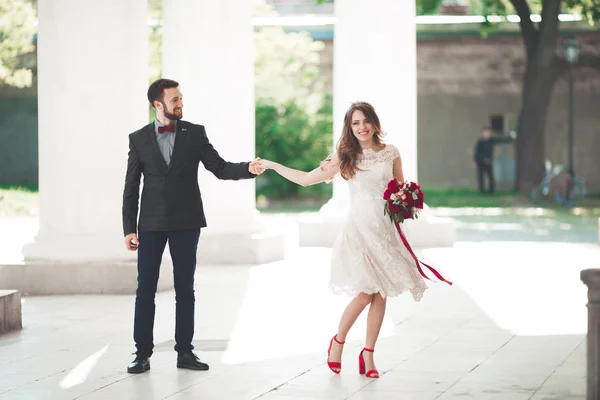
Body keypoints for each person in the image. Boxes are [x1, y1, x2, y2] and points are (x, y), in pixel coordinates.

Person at [258, 102, 430, 379]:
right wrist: (272, 165)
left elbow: (401, 189)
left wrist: (405, 202)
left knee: (381, 292)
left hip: (386, 231)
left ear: (374, 122)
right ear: (349, 127)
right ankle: (338, 342)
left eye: (365, 121)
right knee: (365, 293)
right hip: (359, 231)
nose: (361, 127)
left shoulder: (391, 153)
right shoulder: (345, 155)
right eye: (355, 123)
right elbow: (306, 179)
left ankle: (369, 354)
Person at [122, 78, 263, 374]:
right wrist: (129, 228)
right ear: (158, 104)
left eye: (181, 98)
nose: (181, 104)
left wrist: (248, 169)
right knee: (145, 288)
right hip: (150, 224)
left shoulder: (194, 133)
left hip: (187, 222)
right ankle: (142, 354)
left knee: (185, 288)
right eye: (175, 100)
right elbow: (131, 187)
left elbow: (220, 168)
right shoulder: (138, 138)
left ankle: (185, 352)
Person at [473, 128, 494, 193]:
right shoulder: (480, 141)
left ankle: (491, 190)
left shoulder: (491, 141)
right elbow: (476, 152)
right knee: (481, 176)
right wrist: (475, 161)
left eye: (488, 133)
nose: (487, 134)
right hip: (480, 161)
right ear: (483, 133)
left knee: (490, 176)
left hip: (488, 161)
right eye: (486, 133)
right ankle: (482, 190)